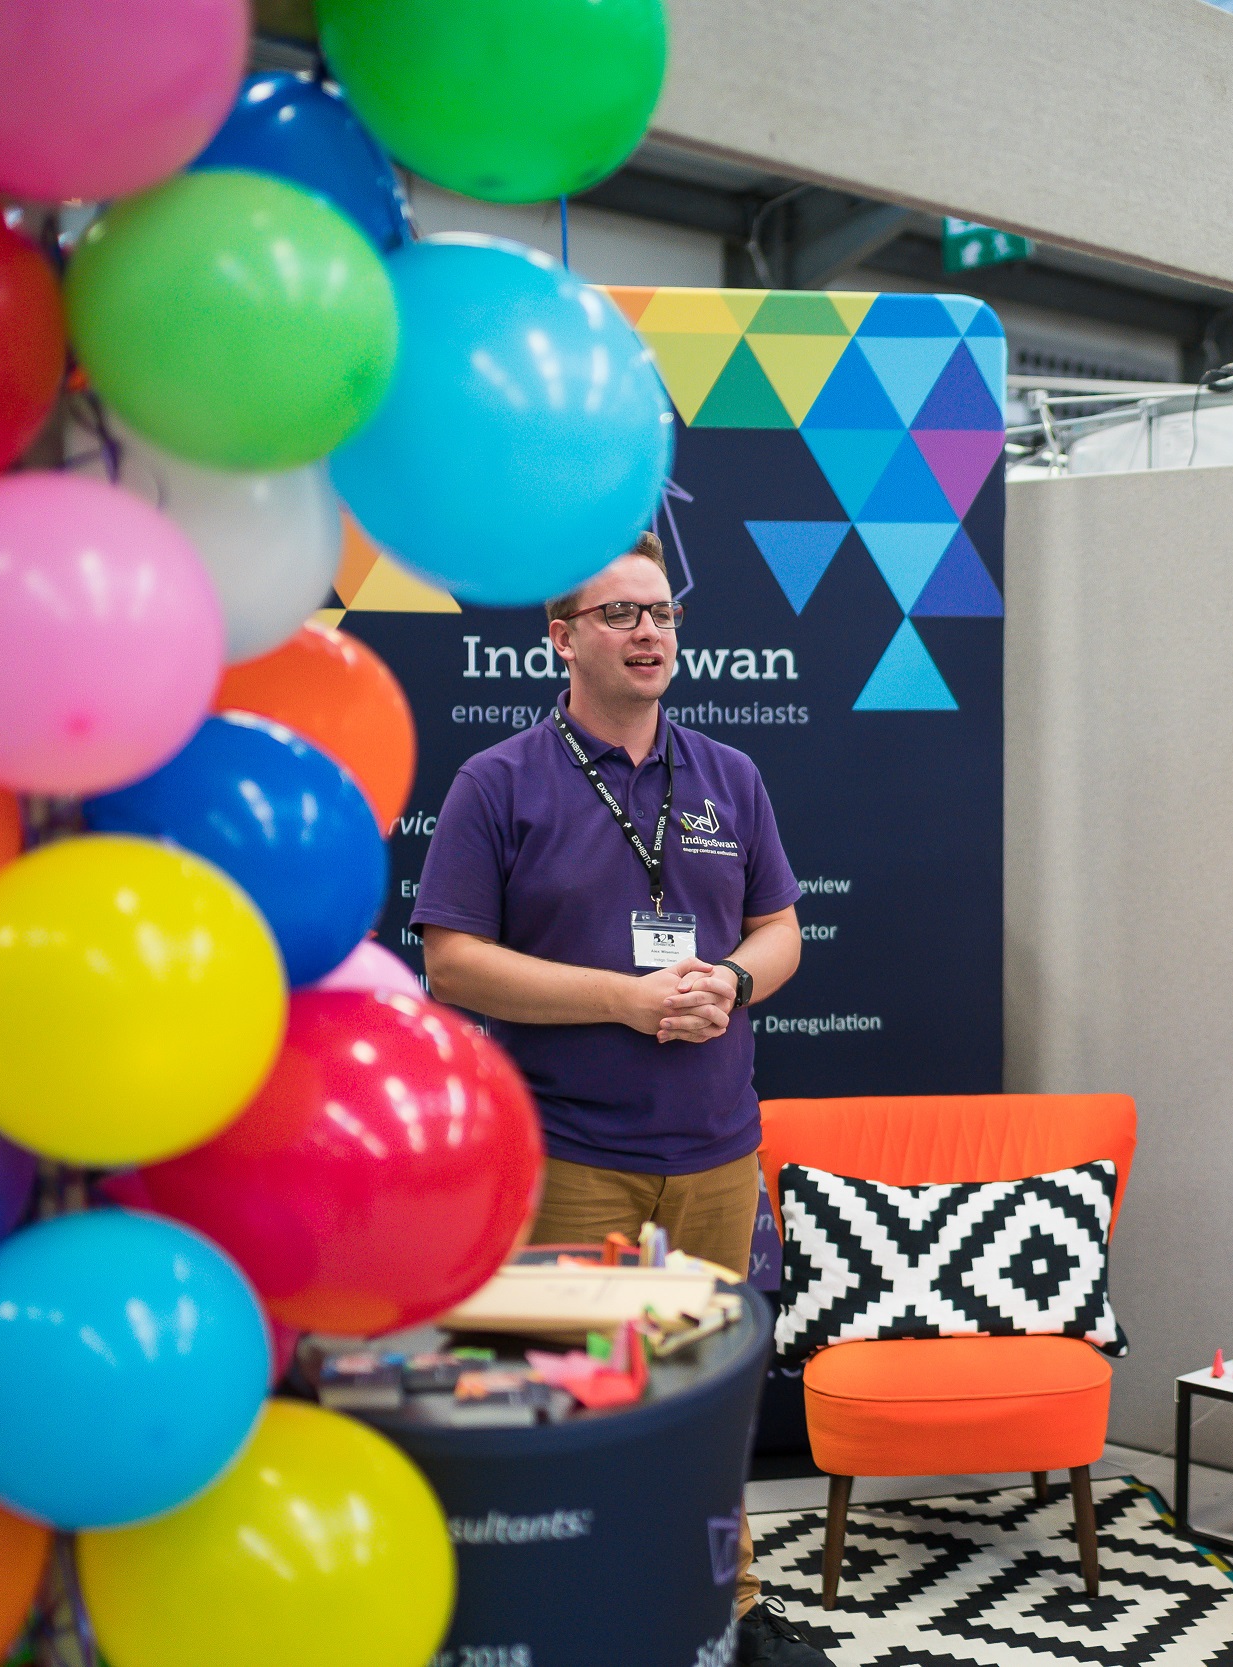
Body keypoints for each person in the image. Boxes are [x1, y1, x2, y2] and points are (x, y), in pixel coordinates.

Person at [413, 532, 813, 1663]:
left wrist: (732, 981)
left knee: (707, 1406)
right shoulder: (499, 781)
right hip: (567, 1155)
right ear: (562, 638)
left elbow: (780, 928)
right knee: (560, 1405)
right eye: (621, 614)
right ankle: (561, 1616)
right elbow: (452, 962)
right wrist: (622, 1000)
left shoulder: (729, 774)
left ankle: (722, 1614)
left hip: (716, 1155)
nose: (650, 632)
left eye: (663, 613)